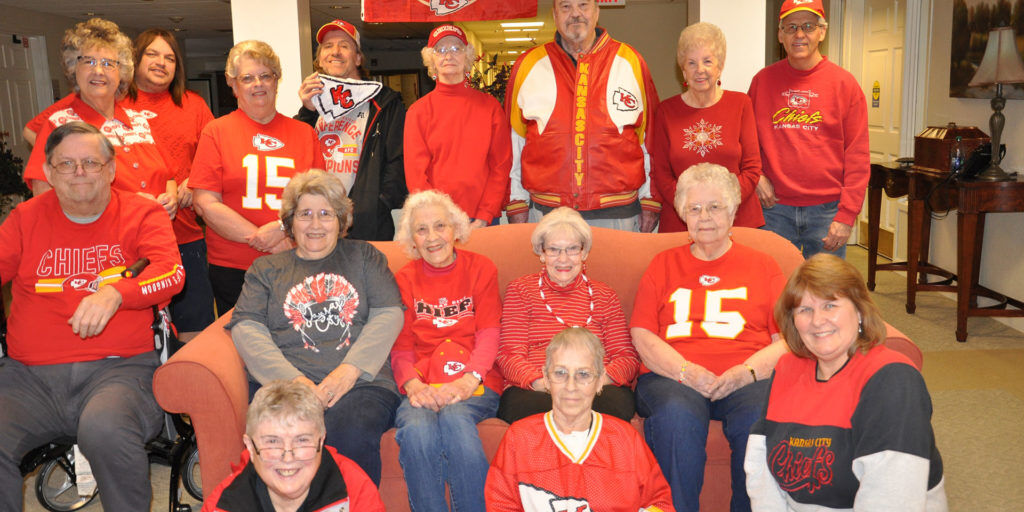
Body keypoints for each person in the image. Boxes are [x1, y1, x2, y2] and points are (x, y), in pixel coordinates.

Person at [0, 122, 184, 510]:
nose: (79, 172)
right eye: (66, 164)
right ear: (48, 173)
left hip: (120, 371)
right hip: (29, 378)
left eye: (90, 162)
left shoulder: (143, 212)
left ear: (111, 169)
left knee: (105, 431)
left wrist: (117, 293)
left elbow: (171, 273)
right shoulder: (24, 219)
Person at [227, 170, 403, 485]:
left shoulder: (364, 256)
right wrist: (295, 382)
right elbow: (246, 329)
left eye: (326, 214)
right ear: (290, 222)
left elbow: (389, 314)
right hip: (284, 385)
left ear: (341, 220)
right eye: (305, 214)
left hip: (362, 384)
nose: (316, 224)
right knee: (282, 438)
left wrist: (347, 373)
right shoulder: (266, 269)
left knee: (349, 431)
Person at [630, 163, 788, 512]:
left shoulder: (764, 266)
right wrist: (687, 371)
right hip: (673, 376)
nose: (705, 217)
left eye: (715, 207)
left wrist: (744, 373)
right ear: (683, 215)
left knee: (759, 416)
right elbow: (641, 333)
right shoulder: (662, 264)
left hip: (747, 375)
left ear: (733, 212)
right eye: (694, 208)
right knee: (675, 416)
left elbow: (788, 340)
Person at [745, 254, 948, 511]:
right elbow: (761, 471)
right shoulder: (788, 368)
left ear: (860, 311)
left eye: (830, 305)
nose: (817, 321)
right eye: (805, 310)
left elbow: (892, 500)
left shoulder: (893, 380)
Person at [190, 40, 324, 314]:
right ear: (233, 84)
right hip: (233, 268)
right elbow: (205, 203)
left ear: (277, 80)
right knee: (241, 346)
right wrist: (260, 238)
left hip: (295, 260)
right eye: (247, 78)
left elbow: (319, 199)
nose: (258, 84)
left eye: (265, 75)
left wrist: (281, 230)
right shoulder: (215, 132)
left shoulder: (304, 134)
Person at [390, 190, 502, 512]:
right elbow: (401, 347)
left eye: (440, 226)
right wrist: (414, 386)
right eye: (421, 230)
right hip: (422, 382)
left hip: (476, 380)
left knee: (455, 417)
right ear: (411, 238)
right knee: (416, 429)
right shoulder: (404, 279)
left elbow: (490, 332)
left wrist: (467, 381)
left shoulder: (481, 268)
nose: (432, 237)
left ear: (455, 228)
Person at [505, 0, 660, 232]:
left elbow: (651, 137)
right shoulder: (529, 65)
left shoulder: (630, 61)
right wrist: (516, 201)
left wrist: (651, 197)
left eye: (583, 5)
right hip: (547, 213)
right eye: (566, 7)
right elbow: (513, 141)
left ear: (597, 11)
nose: (575, 14)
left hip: (618, 212)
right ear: (554, 15)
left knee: (615, 270)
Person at [485, 327, 675, 512]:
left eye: (583, 374)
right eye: (560, 373)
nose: (571, 386)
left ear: (600, 381)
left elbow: (658, 503)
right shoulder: (520, 438)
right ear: (546, 377)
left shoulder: (625, 439)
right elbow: (500, 505)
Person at [747, 0, 869, 259]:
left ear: (822, 31)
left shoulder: (844, 84)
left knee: (826, 294)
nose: (799, 34)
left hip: (827, 211)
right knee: (776, 293)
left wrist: (847, 216)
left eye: (808, 26)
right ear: (780, 35)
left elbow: (858, 156)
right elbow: (744, 141)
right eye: (791, 27)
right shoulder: (761, 82)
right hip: (773, 209)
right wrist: (755, 175)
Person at [22, 18, 176, 219]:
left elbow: (169, 176)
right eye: (89, 61)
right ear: (73, 68)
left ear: (121, 72)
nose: (98, 71)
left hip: (154, 237)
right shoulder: (58, 126)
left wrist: (171, 198)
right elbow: (44, 199)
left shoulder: (140, 122)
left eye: (108, 63)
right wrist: (127, 206)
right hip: (100, 246)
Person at [496, 207, 639, 423]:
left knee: (610, 409)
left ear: (584, 253)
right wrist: (547, 383)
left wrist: (594, 381)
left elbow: (626, 358)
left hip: (597, 388)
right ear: (542, 254)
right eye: (553, 249)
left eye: (572, 249)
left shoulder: (604, 295)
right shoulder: (521, 290)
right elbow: (509, 356)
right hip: (536, 389)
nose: (563, 259)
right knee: (538, 414)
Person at [123, 28, 217, 339]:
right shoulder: (114, 104)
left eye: (170, 58)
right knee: (140, 333)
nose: (161, 62)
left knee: (194, 331)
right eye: (152, 54)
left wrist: (191, 185)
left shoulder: (193, 105)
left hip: (186, 238)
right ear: (135, 59)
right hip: (130, 243)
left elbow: (215, 158)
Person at [295, 19, 408, 241]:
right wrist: (307, 112)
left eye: (344, 46)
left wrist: (376, 203)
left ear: (358, 58)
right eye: (328, 46)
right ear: (319, 59)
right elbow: (294, 160)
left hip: (367, 225)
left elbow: (399, 160)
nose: (335, 51)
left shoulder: (385, 102)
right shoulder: (311, 107)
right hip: (317, 223)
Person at [203, 380, 386, 511]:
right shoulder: (224, 504)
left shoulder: (355, 490)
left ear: (321, 441)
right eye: (273, 442)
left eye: (301, 440)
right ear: (250, 447)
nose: (288, 458)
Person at [651, 22, 762, 233]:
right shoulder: (666, 111)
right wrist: (693, 208)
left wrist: (720, 206)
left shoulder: (741, 104)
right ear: (683, 70)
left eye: (707, 61)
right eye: (691, 63)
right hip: (682, 224)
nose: (699, 70)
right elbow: (662, 175)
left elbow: (752, 168)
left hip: (737, 221)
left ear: (719, 66)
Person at [404, 25, 511, 228]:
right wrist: (436, 218)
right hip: (437, 221)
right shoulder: (418, 112)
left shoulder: (490, 107)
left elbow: (500, 166)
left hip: (482, 218)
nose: (448, 56)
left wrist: (484, 215)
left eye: (456, 48)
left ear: (467, 56)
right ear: (431, 59)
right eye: (441, 50)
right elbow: (416, 175)